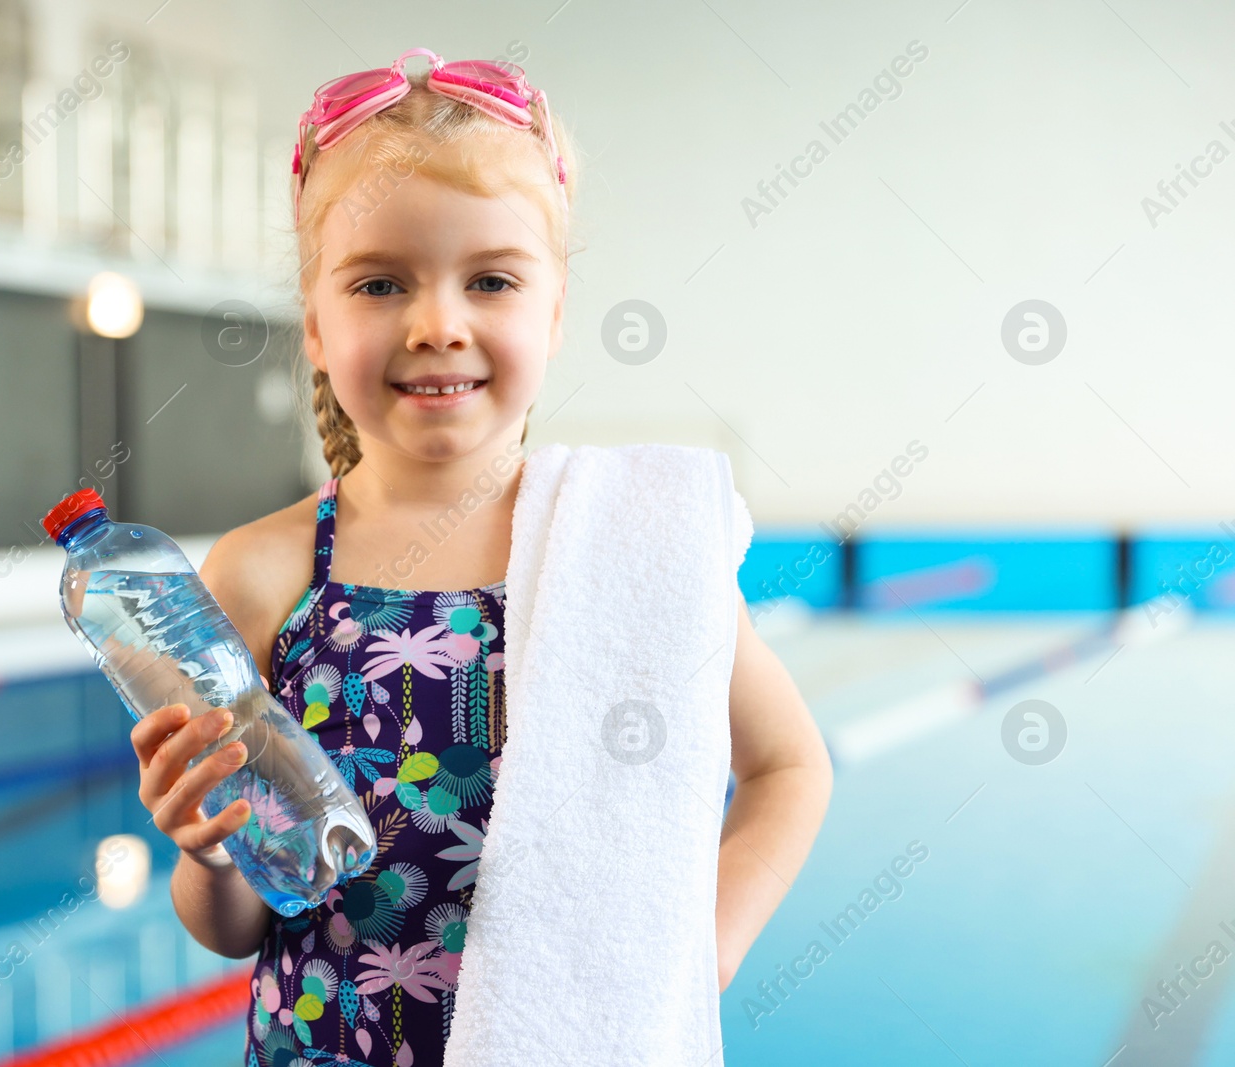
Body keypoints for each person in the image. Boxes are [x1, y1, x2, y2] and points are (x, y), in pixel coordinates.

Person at [128, 47, 832, 1067]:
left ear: (550, 312)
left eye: (491, 279)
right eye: (378, 283)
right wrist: (207, 847)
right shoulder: (261, 574)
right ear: (316, 323)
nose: (436, 324)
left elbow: (789, 764)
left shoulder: (633, 545)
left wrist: (697, 955)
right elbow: (233, 924)